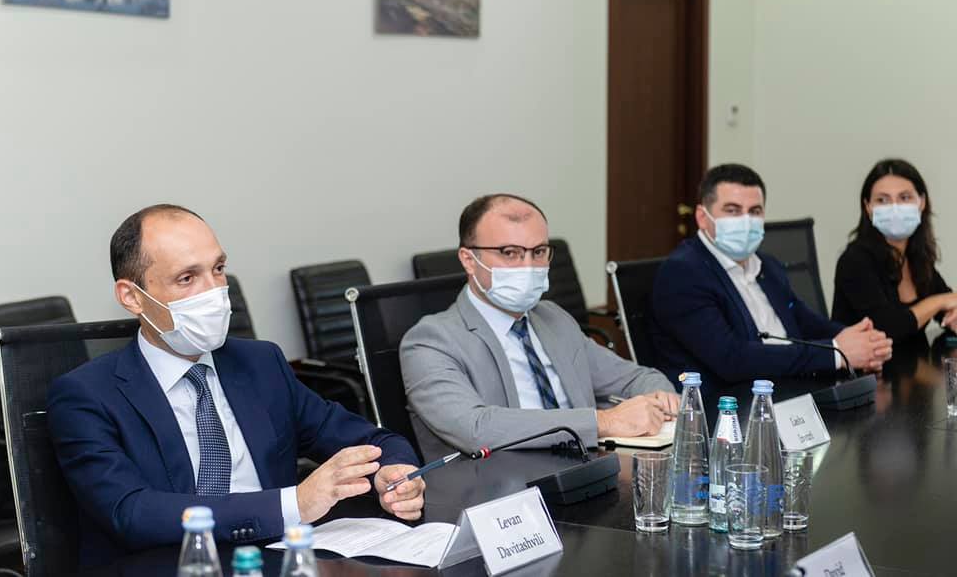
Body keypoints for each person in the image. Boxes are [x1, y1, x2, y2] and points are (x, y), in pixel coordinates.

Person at [48, 205, 425, 568]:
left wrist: (393, 473)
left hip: (276, 560)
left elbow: (373, 441)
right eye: (187, 278)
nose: (213, 291)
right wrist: (295, 503)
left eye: (218, 269)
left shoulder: (260, 363)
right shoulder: (87, 395)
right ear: (132, 297)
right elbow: (131, 512)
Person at [400, 194, 679, 461]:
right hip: (499, 485)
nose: (528, 266)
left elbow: (634, 378)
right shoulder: (430, 341)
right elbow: (475, 429)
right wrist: (604, 422)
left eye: (539, 252)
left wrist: (661, 399)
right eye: (510, 253)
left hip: (588, 472)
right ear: (469, 260)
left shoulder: (552, 318)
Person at [652, 164, 893, 390]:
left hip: (789, 389)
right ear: (702, 217)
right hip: (728, 404)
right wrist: (837, 353)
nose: (746, 221)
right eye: (732, 210)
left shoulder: (767, 265)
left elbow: (804, 322)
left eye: (754, 211)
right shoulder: (683, 273)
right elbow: (732, 359)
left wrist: (863, 343)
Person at [833, 159, 956, 344]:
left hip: (917, 361)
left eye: (904, 197)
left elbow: (947, 308)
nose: (895, 208)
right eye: (882, 200)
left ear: (922, 202)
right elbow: (887, 329)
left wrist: (951, 315)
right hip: (871, 363)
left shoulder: (915, 255)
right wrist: (939, 302)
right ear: (868, 207)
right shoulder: (854, 260)